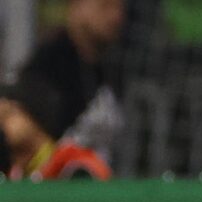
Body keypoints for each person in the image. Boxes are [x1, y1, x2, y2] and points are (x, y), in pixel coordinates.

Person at [0, 0, 123, 180]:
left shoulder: (111, 67)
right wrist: (50, 156)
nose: (116, 17)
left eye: (120, 8)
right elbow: (15, 127)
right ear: (77, 5)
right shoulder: (49, 64)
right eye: (105, 6)